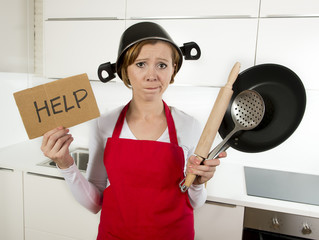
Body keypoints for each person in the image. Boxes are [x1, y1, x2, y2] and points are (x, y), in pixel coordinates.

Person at [41, 22, 226, 240]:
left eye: (162, 65)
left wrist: (197, 184)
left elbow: (195, 202)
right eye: (140, 64)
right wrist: (66, 165)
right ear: (124, 71)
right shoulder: (104, 124)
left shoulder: (190, 125)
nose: (152, 75)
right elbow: (94, 203)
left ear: (173, 69)